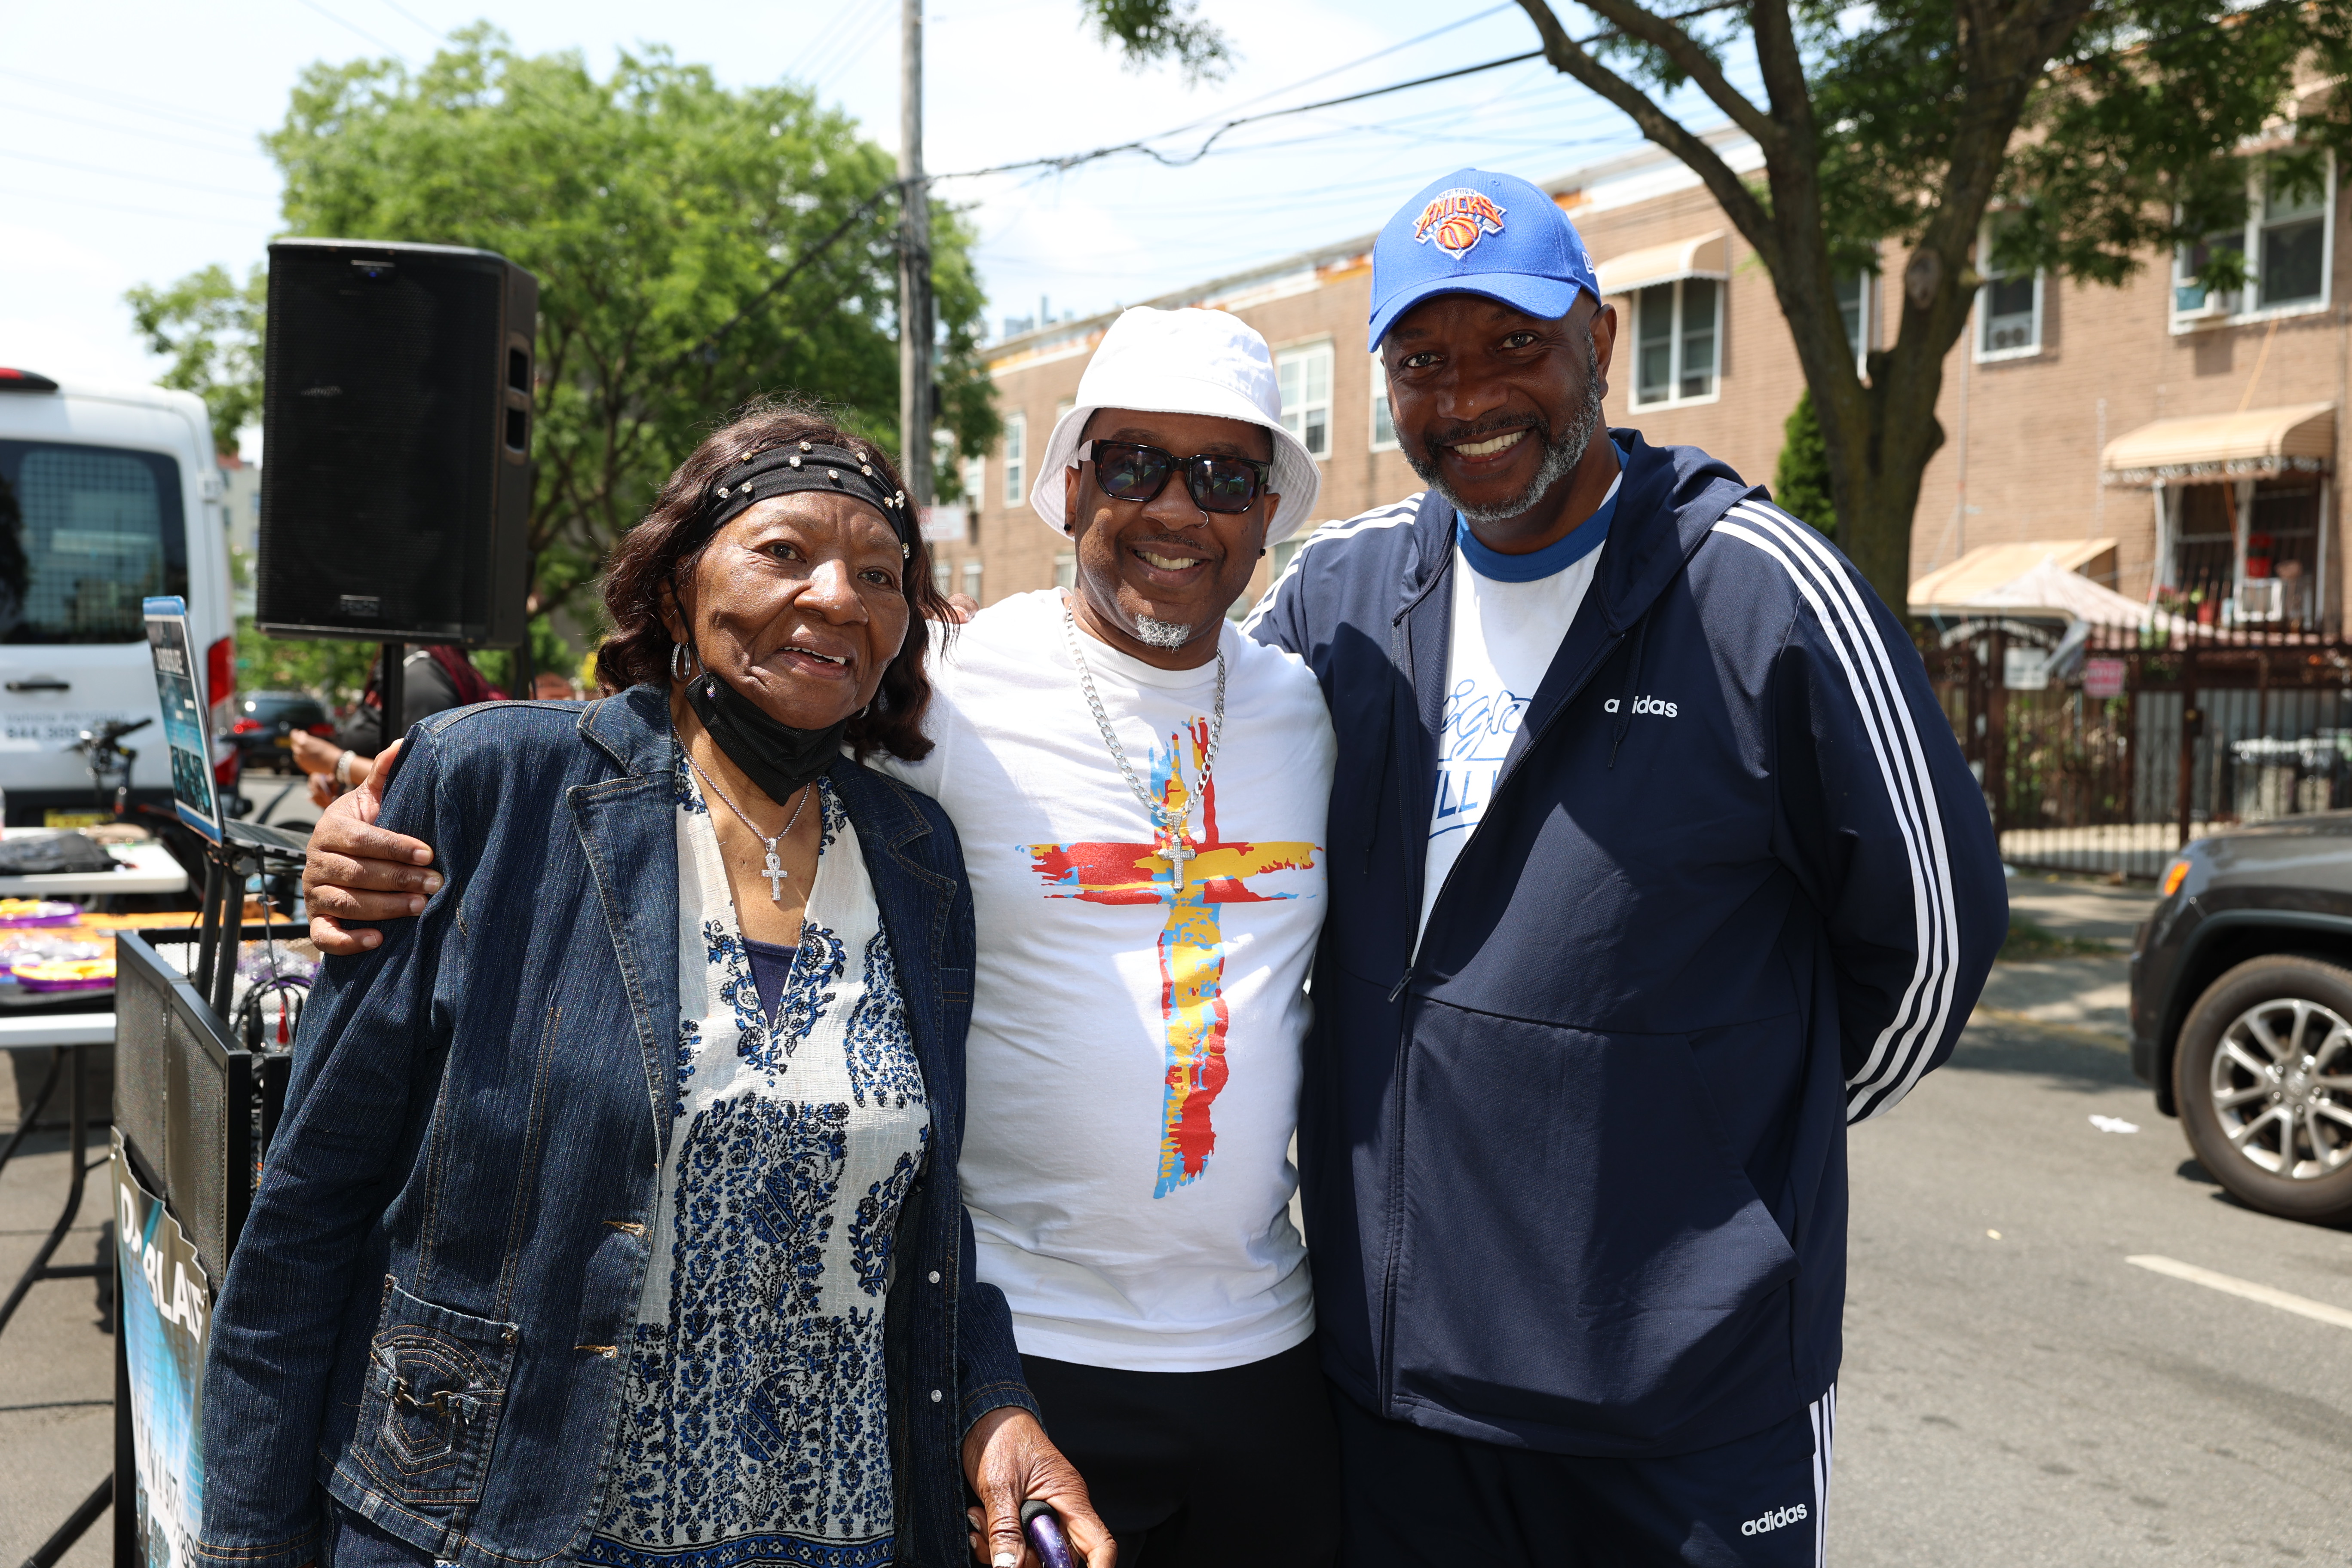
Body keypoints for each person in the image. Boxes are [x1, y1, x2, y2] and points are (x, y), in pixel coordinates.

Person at [299, 309, 1345, 1568]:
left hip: (1261, 1346)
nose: (1176, 506)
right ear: (1071, 486)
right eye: (1133, 464)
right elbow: (693, 739)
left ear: (1269, 510)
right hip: (1013, 1344)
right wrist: (379, 834)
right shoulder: (948, 679)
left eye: (1224, 476)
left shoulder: (1312, 707)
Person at [1235, 169, 2008, 1565]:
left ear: (1600, 338)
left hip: (1682, 1416)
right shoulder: (1332, 599)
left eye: (1513, 343)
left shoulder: (1763, 592)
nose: (1469, 395)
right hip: (1397, 1403)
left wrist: (1709, 1127)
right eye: (1423, 362)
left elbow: (1934, 941)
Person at [197, 403, 1109, 1568]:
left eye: (881, 574)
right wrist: (248, 1542)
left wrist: (993, 1400)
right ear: (677, 587)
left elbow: (919, 1220)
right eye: (783, 551)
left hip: (835, 1536)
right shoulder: (495, 789)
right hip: (492, 1527)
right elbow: (308, 1208)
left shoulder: (914, 856)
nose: (838, 595)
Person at [290, 646, 504, 806]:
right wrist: (331, 776)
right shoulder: (402, 662)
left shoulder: (422, 677)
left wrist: (338, 763)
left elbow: (425, 785)